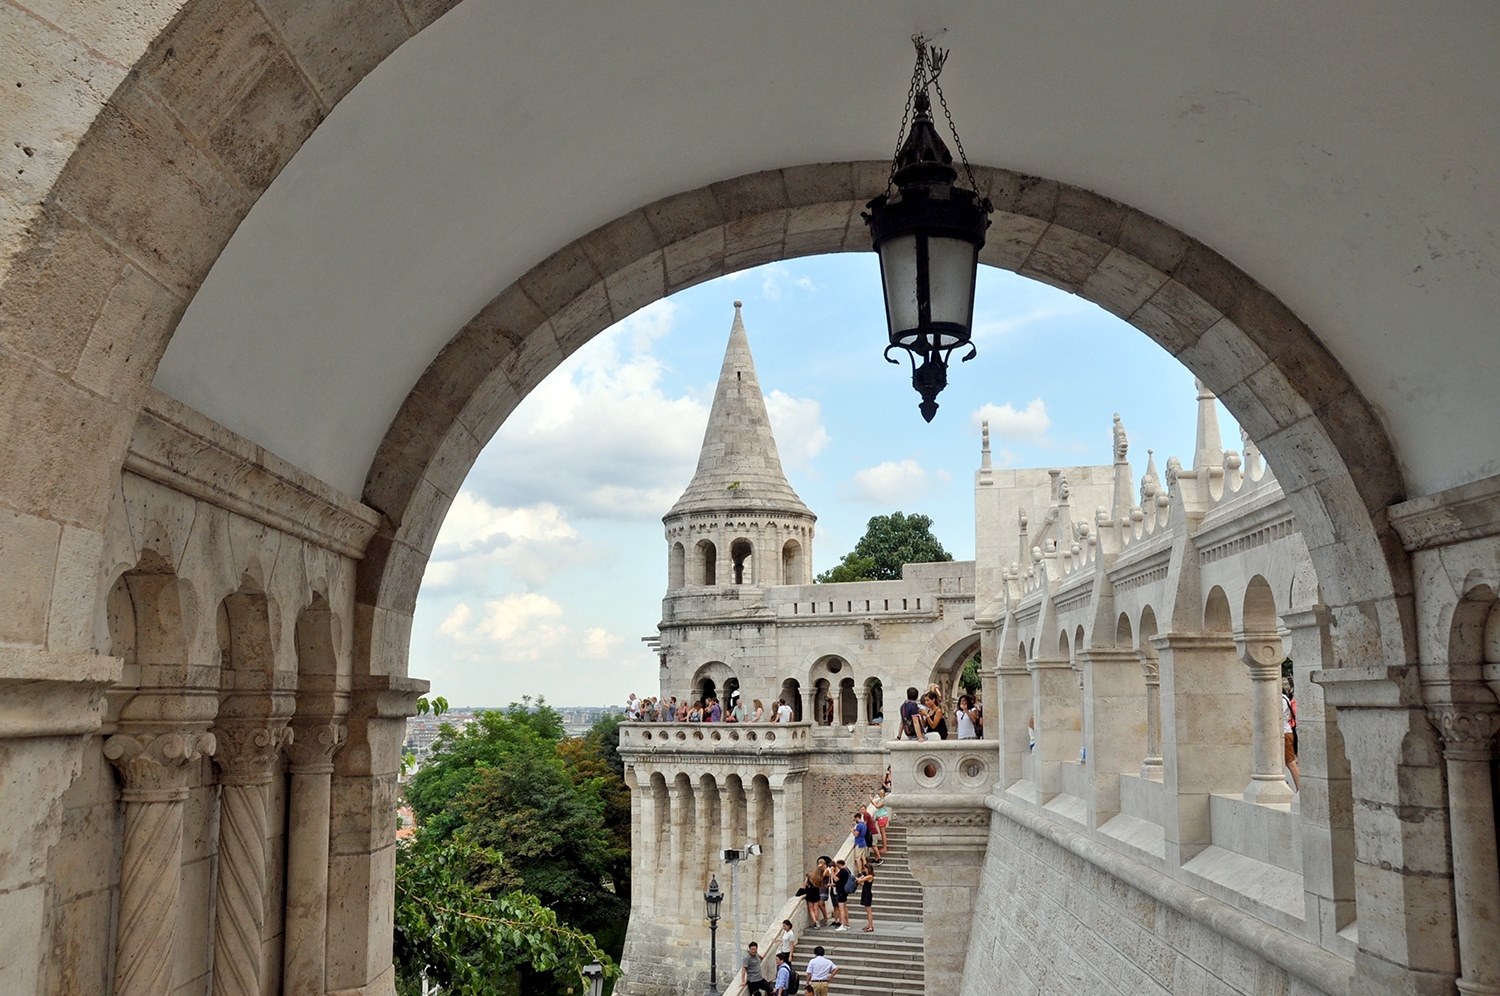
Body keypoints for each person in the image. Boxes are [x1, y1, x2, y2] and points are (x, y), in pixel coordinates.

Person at [1282, 678, 1301, 791]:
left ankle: (1300, 788)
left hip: (1284, 733)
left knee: (1290, 762)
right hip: (1287, 731)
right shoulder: (1285, 698)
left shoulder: (1281, 699)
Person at [831, 859, 854, 930]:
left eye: (837, 865)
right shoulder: (847, 870)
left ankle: (843, 925)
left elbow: (835, 879)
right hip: (844, 891)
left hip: (841, 891)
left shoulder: (842, 871)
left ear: (839, 864)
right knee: (845, 908)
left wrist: (832, 872)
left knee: (841, 909)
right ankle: (847, 923)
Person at [856, 861, 875, 931]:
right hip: (865, 892)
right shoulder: (867, 876)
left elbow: (859, 880)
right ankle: (869, 924)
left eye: (865, 868)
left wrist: (857, 878)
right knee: (867, 911)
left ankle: (871, 926)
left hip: (867, 894)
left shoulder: (870, 876)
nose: (864, 870)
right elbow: (863, 884)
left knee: (869, 911)